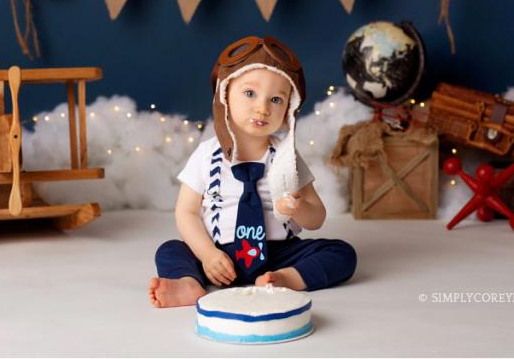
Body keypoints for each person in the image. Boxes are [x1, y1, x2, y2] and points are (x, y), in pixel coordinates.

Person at [148, 36, 357, 308]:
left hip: (276, 252)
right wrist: (207, 253)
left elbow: (317, 217)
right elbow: (186, 212)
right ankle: (190, 282)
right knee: (171, 250)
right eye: (250, 93)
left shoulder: (287, 157)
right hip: (219, 252)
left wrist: (298, 207)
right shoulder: (205, 154)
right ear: (225, 95)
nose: (262, 108)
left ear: (289, 110)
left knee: (342, 253)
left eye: (276, 99)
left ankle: (285, 279)